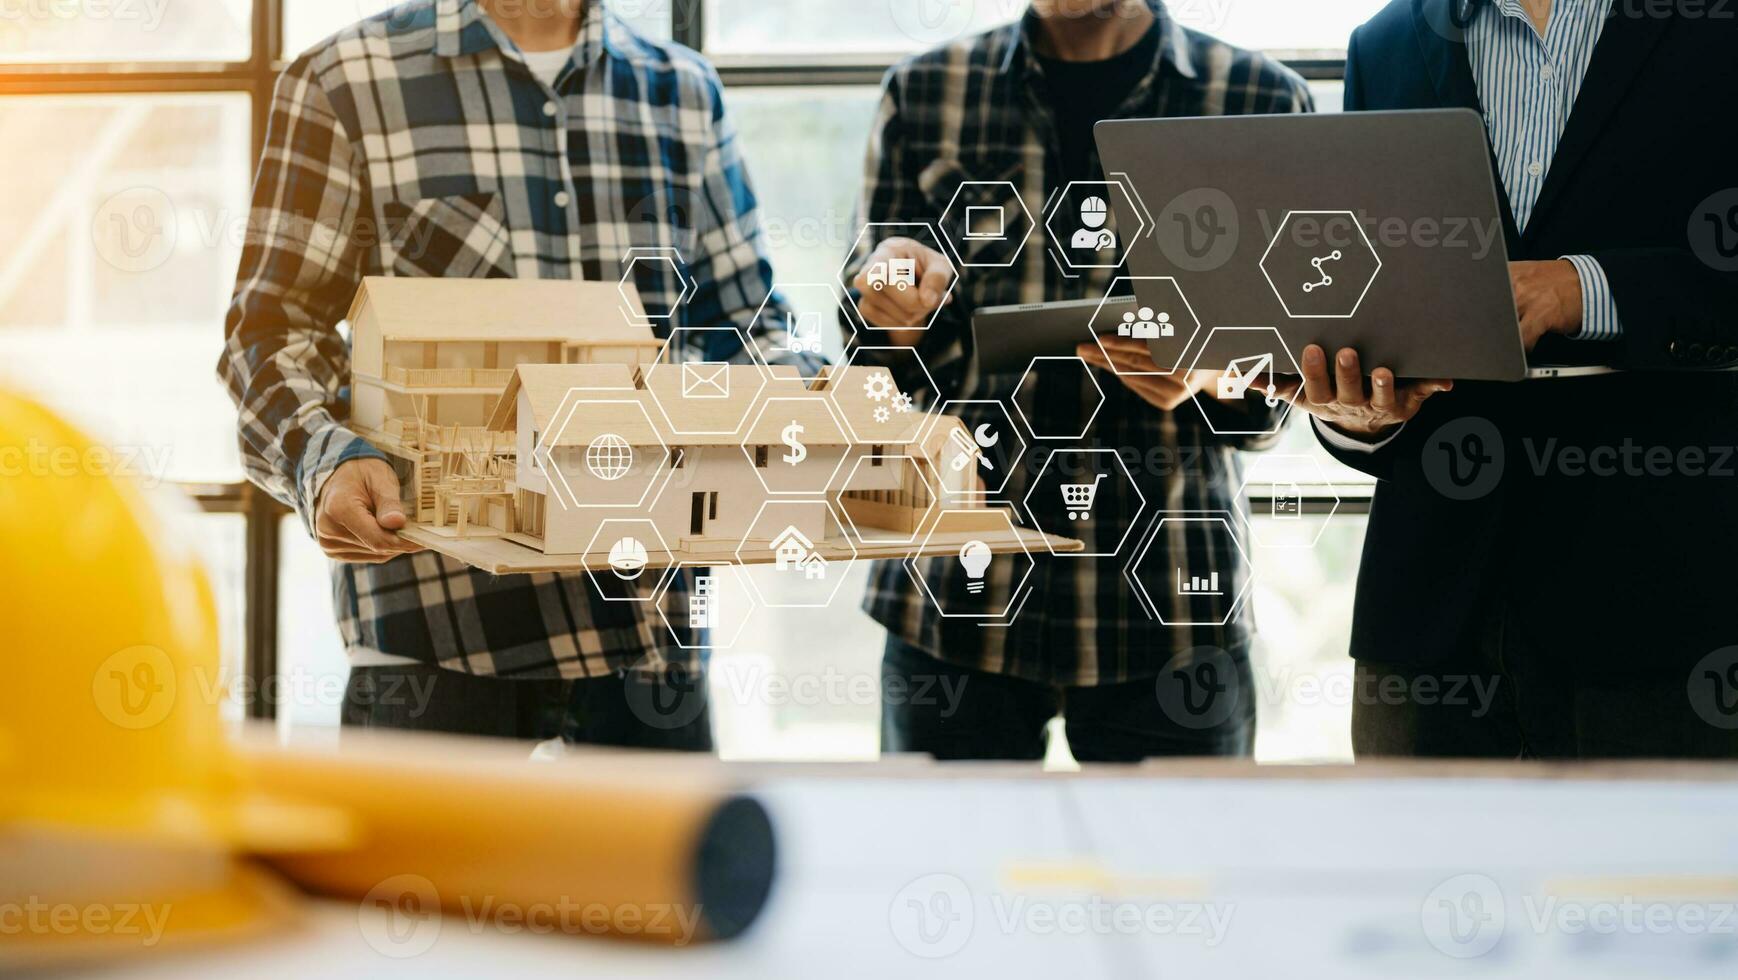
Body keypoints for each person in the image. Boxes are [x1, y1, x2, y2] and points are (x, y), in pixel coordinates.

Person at [219, 0, 803, 744]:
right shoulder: (342, 82)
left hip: (654, 654)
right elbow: (269, 332)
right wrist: (326, 462)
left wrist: (819, 414)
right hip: (438, 653)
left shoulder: (683, 92)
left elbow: (747, 328)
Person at [844, 0, 1312, 762]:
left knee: (1178, 885)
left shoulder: (1258, 100)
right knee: (942, 881)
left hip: (1170, 604)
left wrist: (1209, 376)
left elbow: (1286, 388)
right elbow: (879, 371)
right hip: (956, 600)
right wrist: (896, 312)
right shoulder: (924, 92)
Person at [1281, 0, 1738, 758]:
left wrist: (1577, 288)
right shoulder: (1387, 43)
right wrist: (1357, 414)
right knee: (1408, 876)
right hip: (1427, 623)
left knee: (1659, 883)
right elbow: (1369, 300)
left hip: (1670, 612)